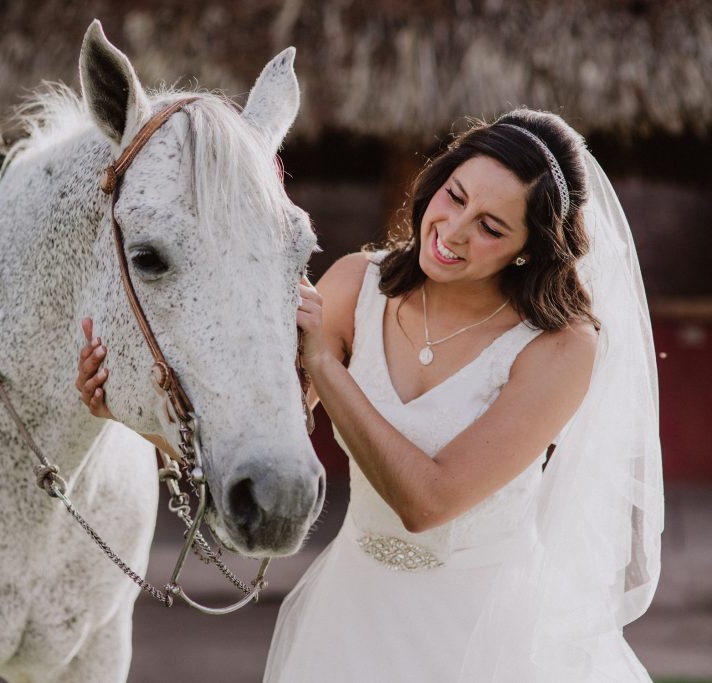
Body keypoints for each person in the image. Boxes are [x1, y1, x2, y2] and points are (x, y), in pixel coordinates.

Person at [75, 108, 663, 682]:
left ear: (528, 247)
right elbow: (260, 442)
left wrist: (326, 365)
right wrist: (121, 413)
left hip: (487, 633)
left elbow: (428, 502)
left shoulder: (561, 349)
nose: (453, 231)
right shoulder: (358, 283)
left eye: (491, 226)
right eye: (455, 196)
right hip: (349, 615)